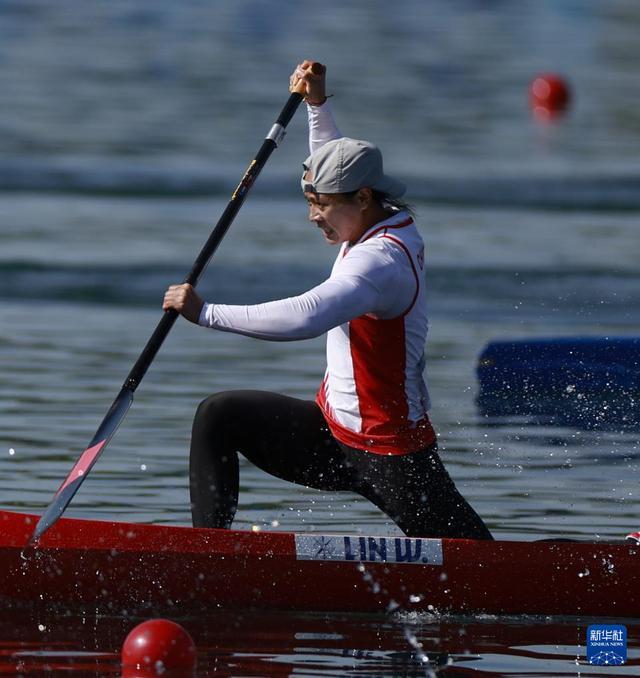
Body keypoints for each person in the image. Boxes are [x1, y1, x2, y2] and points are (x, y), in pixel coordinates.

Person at [163, 60, 492, 540]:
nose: (313, 217)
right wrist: (316, 104)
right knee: (219, 415)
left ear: (362, 198)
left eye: (321, 205)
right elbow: (331, 158)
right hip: (330, 432)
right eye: (309, 203)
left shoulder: (381, 262)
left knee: (479, 565)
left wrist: (207, 313)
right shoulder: (365, 217)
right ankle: (208, 556)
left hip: (389, 453)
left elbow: (309, 315)